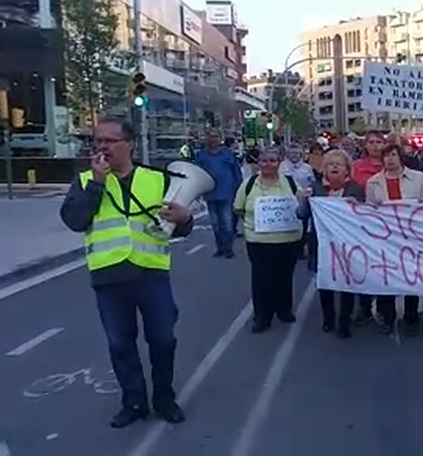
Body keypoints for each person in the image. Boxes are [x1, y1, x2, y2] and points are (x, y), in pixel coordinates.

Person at [59, 118, 191, 428]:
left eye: (109, 140)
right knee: (120, 344)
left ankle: (164, 397)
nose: (102, 146)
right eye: (98, 141)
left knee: (163, 339)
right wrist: (96, 184)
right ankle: (133, 401)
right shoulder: (85, 180)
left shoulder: (157, 179)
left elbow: (179, 226)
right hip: (109, 278)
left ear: (129, 143)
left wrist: (184, 218)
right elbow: (75, 221)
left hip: (152, 274)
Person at [233, 147, 306, 333]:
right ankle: (262, 317)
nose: (268, 164)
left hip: (287, 239)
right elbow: (238, 208)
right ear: (258, 163)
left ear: (279, 163)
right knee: (261, 279)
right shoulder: (249, 184)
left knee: (284, 276)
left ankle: (284, 309)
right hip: (258, 241)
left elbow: (301, 205)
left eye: (273, 160)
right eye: (264, 160)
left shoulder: (289, 182)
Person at [299, 149, 365, 338]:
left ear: (347, 169)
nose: (334, 167)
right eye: (330, 164)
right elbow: (301, 215)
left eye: (339, 164)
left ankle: (345, 320)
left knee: (347, 283)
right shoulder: (315, 188)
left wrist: (357, 207)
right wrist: (304, 200)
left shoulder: (356, 189)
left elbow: (364, 219)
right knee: (325, 282)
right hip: (321, 243)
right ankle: (329, 318)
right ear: (324, 169)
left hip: (347, 244)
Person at [365, 143, 423, 335]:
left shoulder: (418, 179)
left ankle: (411, 317)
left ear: (401, 157)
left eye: (393, 155)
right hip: (385, 238)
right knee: (387, 277)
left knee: (411, 276)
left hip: (412, 237)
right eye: (386, 156)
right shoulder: (373, 182)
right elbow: (369, 211)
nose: (390, 159)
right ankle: (388, 316)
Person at [194, 130, 243, 258]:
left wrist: (239, 189)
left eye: (216, 137)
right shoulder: (201, 155)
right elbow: (197, 174)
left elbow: (236, 172)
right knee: (215, 225)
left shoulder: (228, 154)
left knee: (227, 223)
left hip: (227, 193)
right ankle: (220, 248)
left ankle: (228, 249)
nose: (213, 139)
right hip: (210, 194)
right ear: (206, 139)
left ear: (220, 139)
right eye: (211, 136)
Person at [280, 147, 316, 259]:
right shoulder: (282, 166)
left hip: (302, 200)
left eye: (296, 153)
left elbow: (312, 182)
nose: (294, 155)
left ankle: (300, 247)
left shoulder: (307, 168)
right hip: (286, 200)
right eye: (291, 153)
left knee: (303, 224)